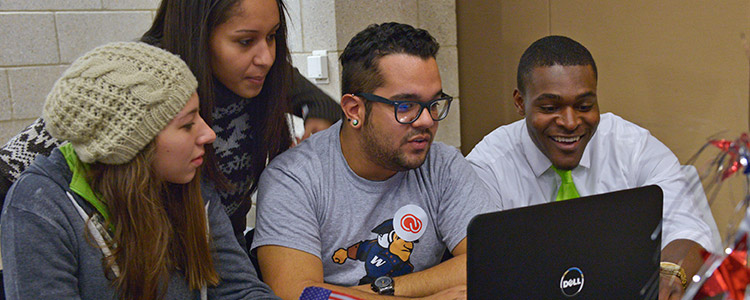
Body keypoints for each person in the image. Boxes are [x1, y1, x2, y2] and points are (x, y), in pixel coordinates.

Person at [0, 0, 340, 247]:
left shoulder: (261, 72)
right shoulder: (136, 79)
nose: (266, 57)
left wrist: (317, 119)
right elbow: (13, 166)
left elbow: (321, 103)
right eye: (245, 41)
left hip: (221, 253)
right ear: (198, 35)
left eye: (273, 36)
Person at [1, 42, 279, 300]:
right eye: (186, 125)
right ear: (131, 145)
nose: (208, 134)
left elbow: (240, 291)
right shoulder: (39, 209)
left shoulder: (188, 181)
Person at [252, 22, 496, 300]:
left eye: (433, 104)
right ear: (354, 109)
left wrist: (372, 293)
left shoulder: (443, 165)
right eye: (405, 106)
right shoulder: (294, 178)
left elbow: (492, 261)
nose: (427, 120)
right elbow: (298, 294)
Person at [465, 35, 713, 300]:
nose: (571, 122)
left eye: (585, 106)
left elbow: (688, 228)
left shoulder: (632, 146)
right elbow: (482, 267)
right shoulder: (487, 165)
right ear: (519, 102)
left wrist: (669, 274)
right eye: (550, 107)